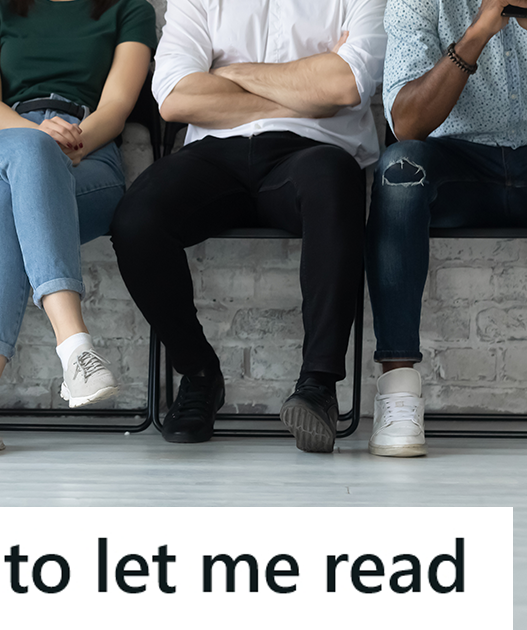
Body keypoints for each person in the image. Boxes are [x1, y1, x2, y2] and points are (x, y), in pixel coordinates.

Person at [109, 0, 386, 452]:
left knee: (335, 185)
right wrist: (305, 90)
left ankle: (317, 386)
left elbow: (345, 84)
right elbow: (175, 97)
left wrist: (231, 74)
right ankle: (199, 373)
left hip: (314, 150)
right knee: (136, 219)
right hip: (215, 152)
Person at [369, 0, 527, 457]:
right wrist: (479, 32)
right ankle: (398, 392)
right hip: (458, 167)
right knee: (400, 169)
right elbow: (407, 124)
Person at [0, 0, 155, 457]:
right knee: (25, 156)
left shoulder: (129, 8)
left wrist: (71, 143)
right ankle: (75, 347)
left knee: (1, 203)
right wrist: (36, 140)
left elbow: (117, 107)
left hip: (87, 149)